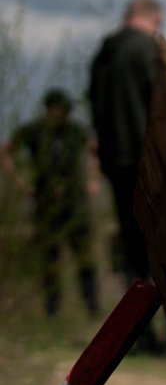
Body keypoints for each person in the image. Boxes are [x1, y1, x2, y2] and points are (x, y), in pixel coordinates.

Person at [87, 0, 162, 293]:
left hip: (115, 161)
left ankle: (139, 329)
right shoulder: (145, 47)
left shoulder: (103, 55)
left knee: (132, 243)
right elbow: (162, 103)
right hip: (148, 161)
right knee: (161, 243)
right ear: (153, 19)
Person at [2, 89, 100, 316]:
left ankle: (92, 308)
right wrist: (20, 183)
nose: (65, 114)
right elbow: (6, 151)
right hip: (47, 205)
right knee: (49, 260)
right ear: (51, 109)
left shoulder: (76, 130)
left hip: (75, 204)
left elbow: (94, 151)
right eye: (61, 109)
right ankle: (52, 310)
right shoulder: (34, 131)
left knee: (85, 258)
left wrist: (92, 178)